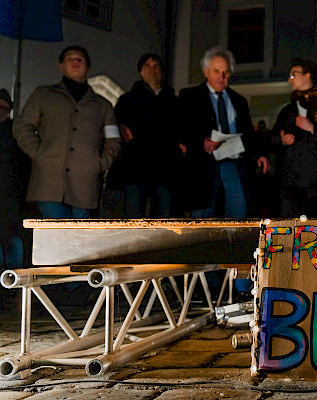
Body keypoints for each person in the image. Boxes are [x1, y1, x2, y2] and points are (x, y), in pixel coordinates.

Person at [13, 45, 121, 219]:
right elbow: (22, 126)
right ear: (61, 66)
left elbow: (113, 138)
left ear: (88, 68)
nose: (75, 62)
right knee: (57, 230)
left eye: (80, 59)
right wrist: (38, 153)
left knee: (77, 233)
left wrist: (100, 163)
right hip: (48, 182)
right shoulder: (43, 95)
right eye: (70, 58)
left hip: (85, 183)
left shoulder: (103, 105)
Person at [179, 46, 269, 218]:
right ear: (206, 72)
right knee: (204, 219)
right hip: (204, 165)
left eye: (226, 72)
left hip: (234, 163)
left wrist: (259, 154)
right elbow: (182, 129)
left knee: (238, 212)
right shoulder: (190, 96)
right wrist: (201, 143)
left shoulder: (239, 100)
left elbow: (248, 133)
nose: (222, 76)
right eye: (217, 71)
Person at [110, 53, 184, 218]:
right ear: (140, 72)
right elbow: (117, 127)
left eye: (156, 65)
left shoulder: (174, 102)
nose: (153, 69)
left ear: (162, 71)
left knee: (165, 219)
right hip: (135, 168)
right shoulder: (127, 100)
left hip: (166, 169)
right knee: (134, 218)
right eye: (148, 65)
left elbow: (182, 130)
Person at [271, 58, 317, 217]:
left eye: (293, 75)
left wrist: (312, 128)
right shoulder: (287, 110)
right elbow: (272, 138)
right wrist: (282, 140)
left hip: (315, 182)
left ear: (307, 75)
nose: (290, 80)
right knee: (289, 227)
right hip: (289, 182)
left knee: (313, 227)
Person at [0, 89, 29, 269]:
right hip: (11, 196)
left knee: (12, 238)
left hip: (11, 197)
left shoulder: (16, 133)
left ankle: (13, 277)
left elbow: (25, 166)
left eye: (3, 107)